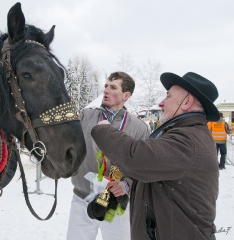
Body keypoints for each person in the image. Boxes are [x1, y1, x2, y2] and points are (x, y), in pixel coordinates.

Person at [90, 72, 219, 239]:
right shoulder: (187, 135)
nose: (161, 103)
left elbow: (136, 159)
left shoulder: (188, 141)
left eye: (168, 96)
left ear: (186, 102)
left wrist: (103, 129)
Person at [66, 71, 150, 240]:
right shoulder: (85, 116)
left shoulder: (139, 128)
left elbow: (144, 167)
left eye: (113, 87)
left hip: (116, 205)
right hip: (83, 198)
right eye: (105, 86)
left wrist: (126, 184)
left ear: (126, 95)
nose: (106, 90)